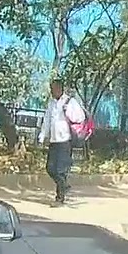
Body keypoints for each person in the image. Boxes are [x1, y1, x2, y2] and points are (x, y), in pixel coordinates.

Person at [36, 76, 88, 206]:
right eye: (51, 89)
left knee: (60, 170)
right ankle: (64, 186)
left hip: (65, 140)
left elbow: (80, 117)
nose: (52, 91)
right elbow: (47, 121)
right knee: (50, 168)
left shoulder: (70, 102)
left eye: (54, 89)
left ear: (60, 89)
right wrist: (42, 136)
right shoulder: (51, 103)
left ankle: (60, 198)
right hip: (54, 140)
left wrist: (68, 111)